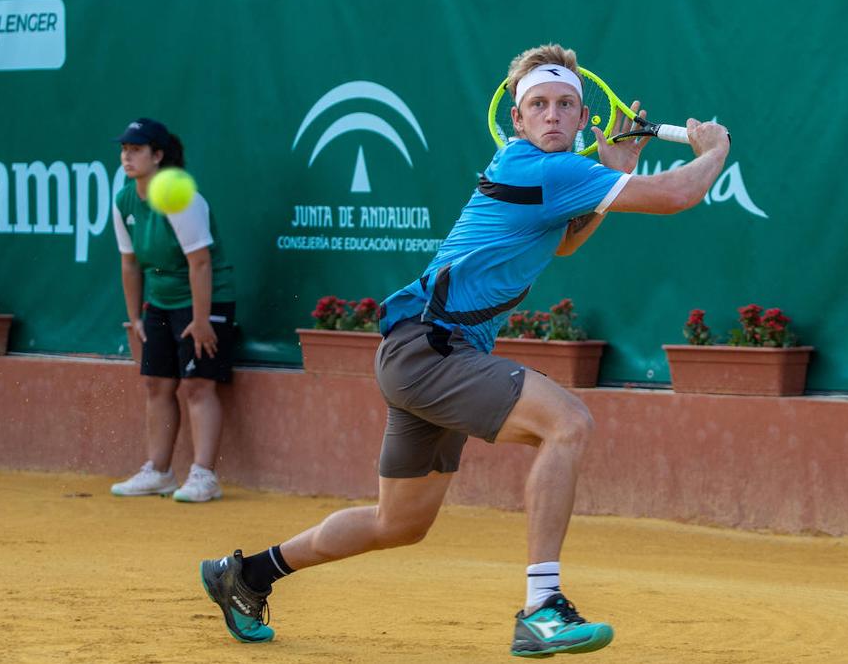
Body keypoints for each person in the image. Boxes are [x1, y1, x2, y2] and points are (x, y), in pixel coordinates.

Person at [198, 44, 731, 655]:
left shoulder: (540, 171)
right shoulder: (546, 169)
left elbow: (563, 245)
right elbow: (674, 196)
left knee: (396, 523)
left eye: (565, 104)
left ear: (584, 118)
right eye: (539, 105)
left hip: (418, 355)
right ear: (518, 119)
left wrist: (613, 171)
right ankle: (543, 607)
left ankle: (245, 575)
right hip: (433, 353)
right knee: (568, 425)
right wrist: (713, 150)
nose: (552, 114)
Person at [109, 117, 240, 504]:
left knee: (198, 384)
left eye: (136, 150)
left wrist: (201, 321)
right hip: (161, 299)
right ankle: (159, 472)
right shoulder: (124, 200)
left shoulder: (180, 197)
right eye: (124, 150)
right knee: (157, 383)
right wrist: (135, 318)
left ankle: (204, 476)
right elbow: (130, 263)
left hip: (205, 297)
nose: (127, 157)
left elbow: (201, 263)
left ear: (158, 155)